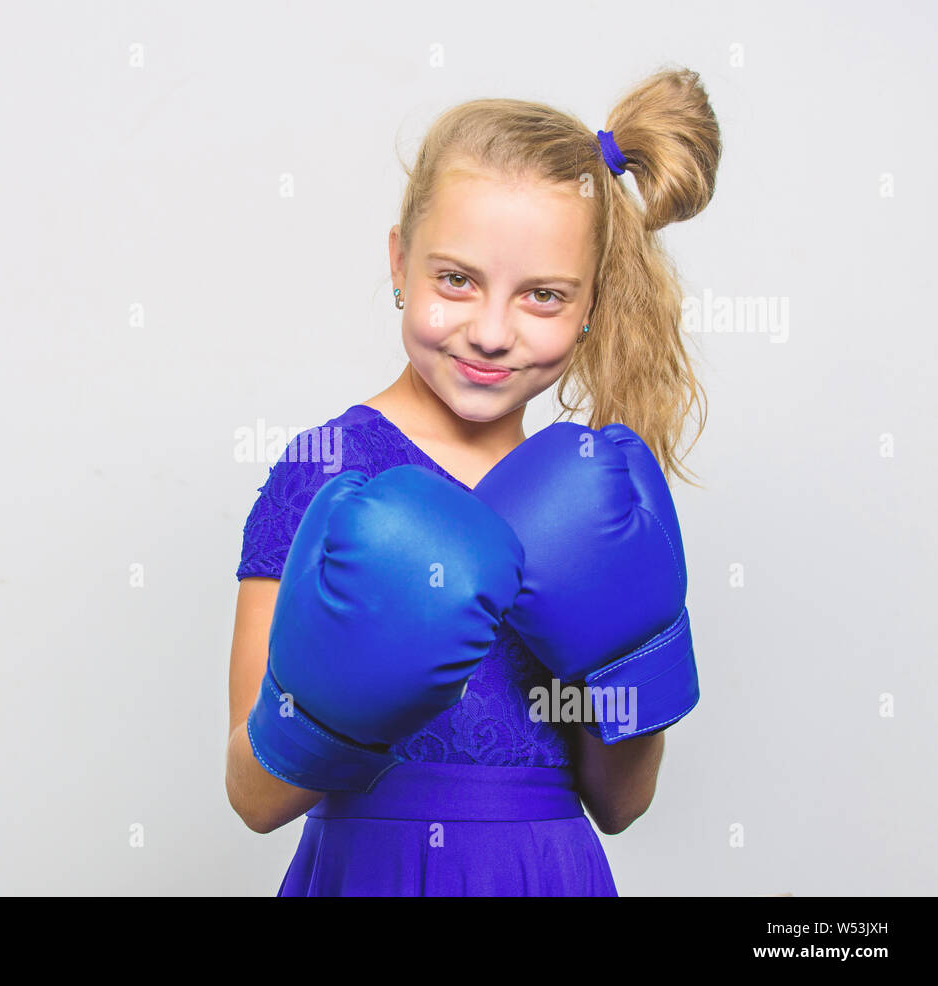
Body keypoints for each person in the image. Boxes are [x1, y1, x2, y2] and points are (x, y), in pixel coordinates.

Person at [226, 65, 720, 896]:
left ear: (594, 300)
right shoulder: (321, 473)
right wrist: (341, 698)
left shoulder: (596, 494)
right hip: (369, 873)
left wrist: (631, 660)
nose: (491, 332)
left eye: (543, 296)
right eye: (456, 279)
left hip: (547, 872)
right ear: (399, 261)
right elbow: (252, 796)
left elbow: (623, 802)